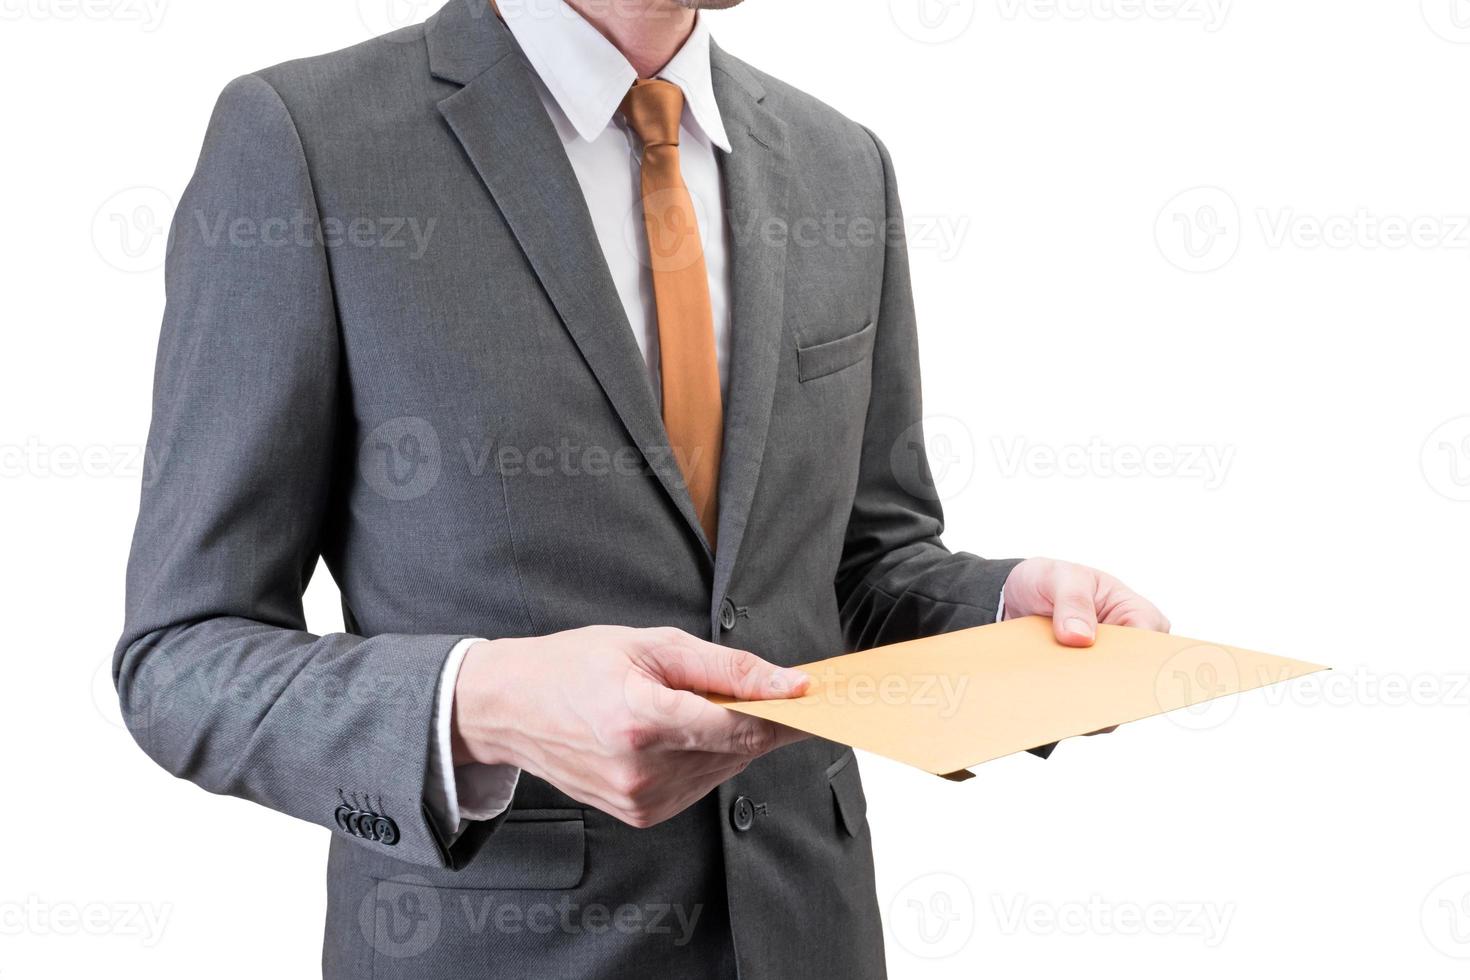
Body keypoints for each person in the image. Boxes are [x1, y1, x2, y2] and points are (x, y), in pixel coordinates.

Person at [114, 1, 1169, 976]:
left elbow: (857, 570)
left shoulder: (842, 163)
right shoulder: (309, 141)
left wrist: (1005, 610)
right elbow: (182, 656)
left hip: (813, 938)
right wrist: (488, 705)